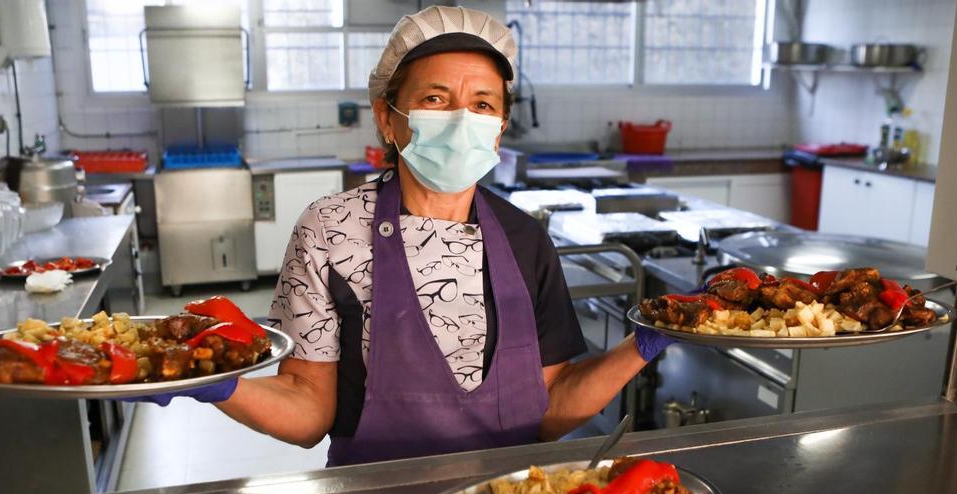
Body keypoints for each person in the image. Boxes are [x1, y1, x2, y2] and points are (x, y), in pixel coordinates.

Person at [139, 6, 675, 466]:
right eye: (437, 99)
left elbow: (550, 408)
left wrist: (642, 343)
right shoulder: (331, 230)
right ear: (388, 118)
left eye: (483, 104)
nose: (463, 119)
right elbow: (307, 412)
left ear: (500, 129)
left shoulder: (524, 239)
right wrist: (224, 387)